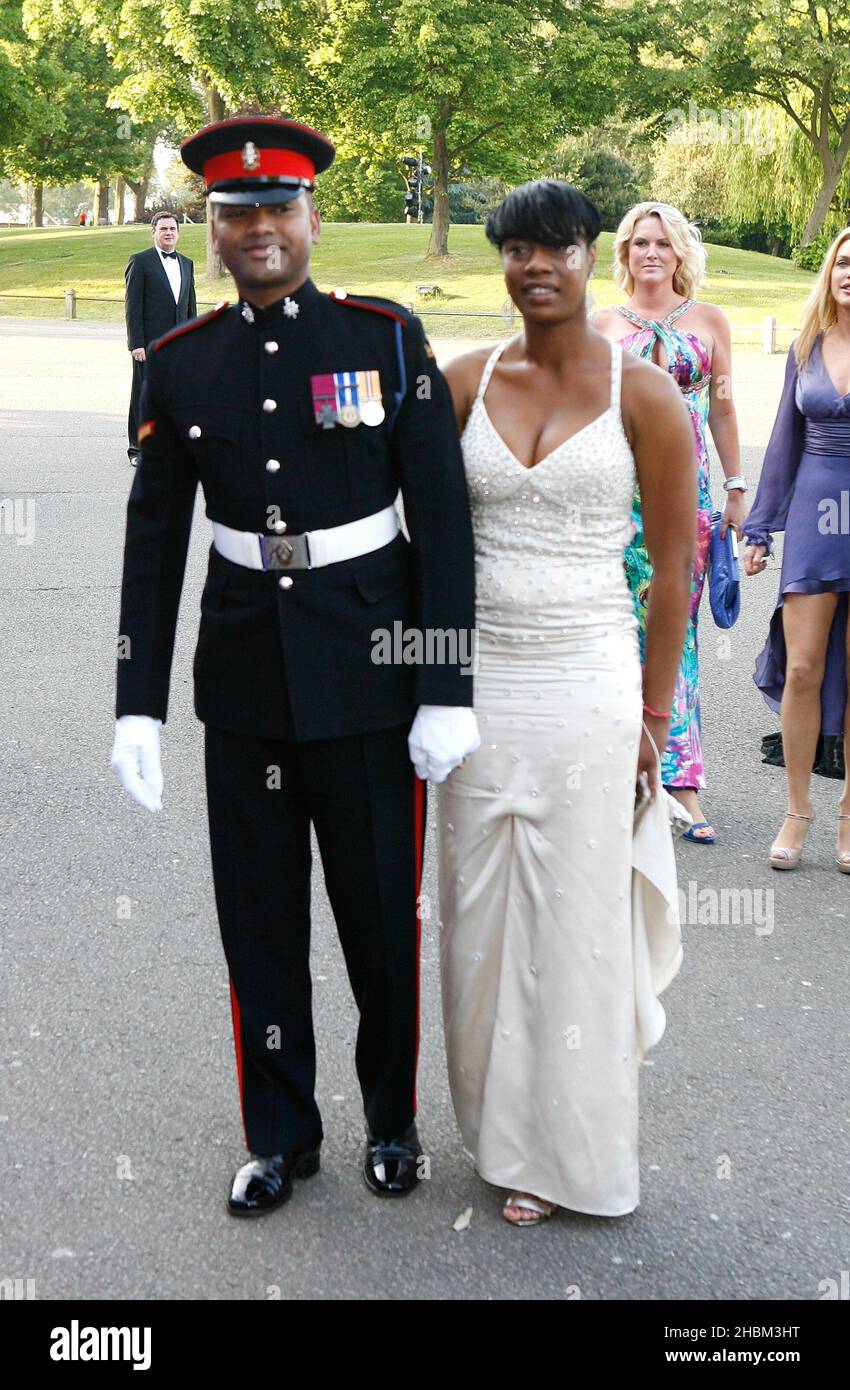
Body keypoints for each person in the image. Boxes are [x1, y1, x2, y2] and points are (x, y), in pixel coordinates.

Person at [110, 115, 479, 1216]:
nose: (259, 229)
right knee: (259, 924)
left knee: (376, 919)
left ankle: (393, 1120)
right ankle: (280, 1134)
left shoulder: (386, 338)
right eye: (237, 215)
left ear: (311, 217)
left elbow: (444, 527)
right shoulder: (181, 366)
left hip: (371, 678)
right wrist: (137, 704)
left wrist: (443, 683)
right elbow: (152, 542)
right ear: (213, 235)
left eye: (277, 209)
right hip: (246, 686)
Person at [437, 179, 695, 1225]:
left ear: (590, 256)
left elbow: (671, 572)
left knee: (570, 927)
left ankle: (566, 1151)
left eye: (556, 246)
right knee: (477, 923)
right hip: (477, 694)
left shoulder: (645, 394)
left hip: (590, 686)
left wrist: (651, 716)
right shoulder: (458, 380)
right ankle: (498, 1133)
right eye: (516, 250)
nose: (534, 265)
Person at [594, 202, 747, 844]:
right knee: (617, 631)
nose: (650, 253)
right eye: (638, 244)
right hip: (618, 498)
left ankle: (680, 783)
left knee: (676, 633)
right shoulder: (600, 323)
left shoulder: (709, 321)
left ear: (679, 252)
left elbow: (724, 410)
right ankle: (613, 776)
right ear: (625, 253)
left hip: (687, 497)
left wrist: (737, 488)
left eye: (661, 243)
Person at [743, 226, 850, 871]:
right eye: (844, 262)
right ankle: (798, 808)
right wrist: (759, 528)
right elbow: (783, 439)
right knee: (805, 667)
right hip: (815, 511)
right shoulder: (806, 345)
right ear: (830, 272)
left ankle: (849, 816)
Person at [124, 210, 197, 466]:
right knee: (144, 397)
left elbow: (189, 307)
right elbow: (132, 307)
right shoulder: (140, 262)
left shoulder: (187, 263)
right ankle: (138, 449)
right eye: (163, 229)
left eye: (172, 229)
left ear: (178, 233)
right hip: (149, 344)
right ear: (153, 232)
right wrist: (136, 343)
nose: (168, 233)